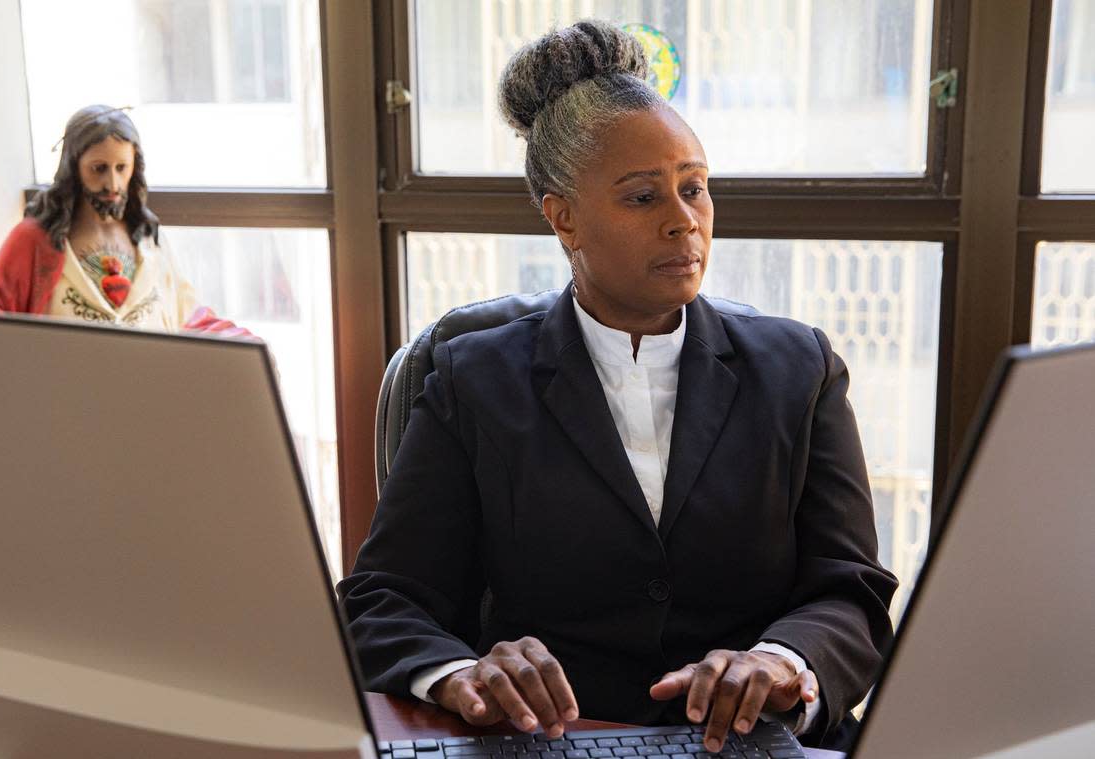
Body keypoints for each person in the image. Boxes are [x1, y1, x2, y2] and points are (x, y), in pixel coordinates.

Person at [337, 21, 896, 752]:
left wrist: (781, 661)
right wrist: (460, 672)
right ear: (563, 217)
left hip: (748, 743)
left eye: (694, 188)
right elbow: (384, 599)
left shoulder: (799, 368)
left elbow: (850, 588)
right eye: (642, 198)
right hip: (555, 739)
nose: (683, 221)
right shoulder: (473, 379)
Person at [0, 105, 247, 337]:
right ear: (74, 167)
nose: (112, 184)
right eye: (99, 169)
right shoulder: (36, 241)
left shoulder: (147, 238)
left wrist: (244, 347)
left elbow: (188, 316)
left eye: (122, 168)